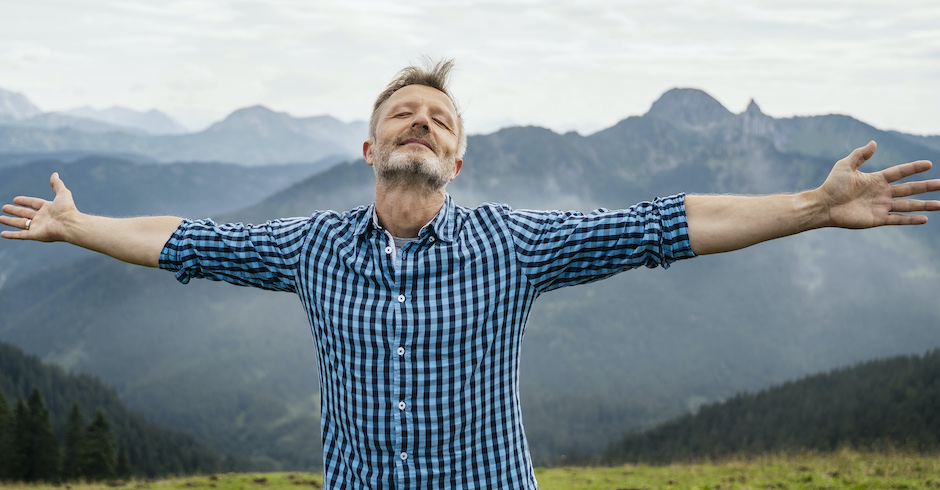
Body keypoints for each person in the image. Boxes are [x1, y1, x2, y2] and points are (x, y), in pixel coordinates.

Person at [2, 59, 939, 489]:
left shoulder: (512, 245)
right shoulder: (312, 248)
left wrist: (814, 207)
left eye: (441, 120)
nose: (423, 123)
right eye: (405, 113)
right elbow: (185, 239)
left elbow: (671, 224)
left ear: (460, 162)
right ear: (369, 146)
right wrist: (79, 227)